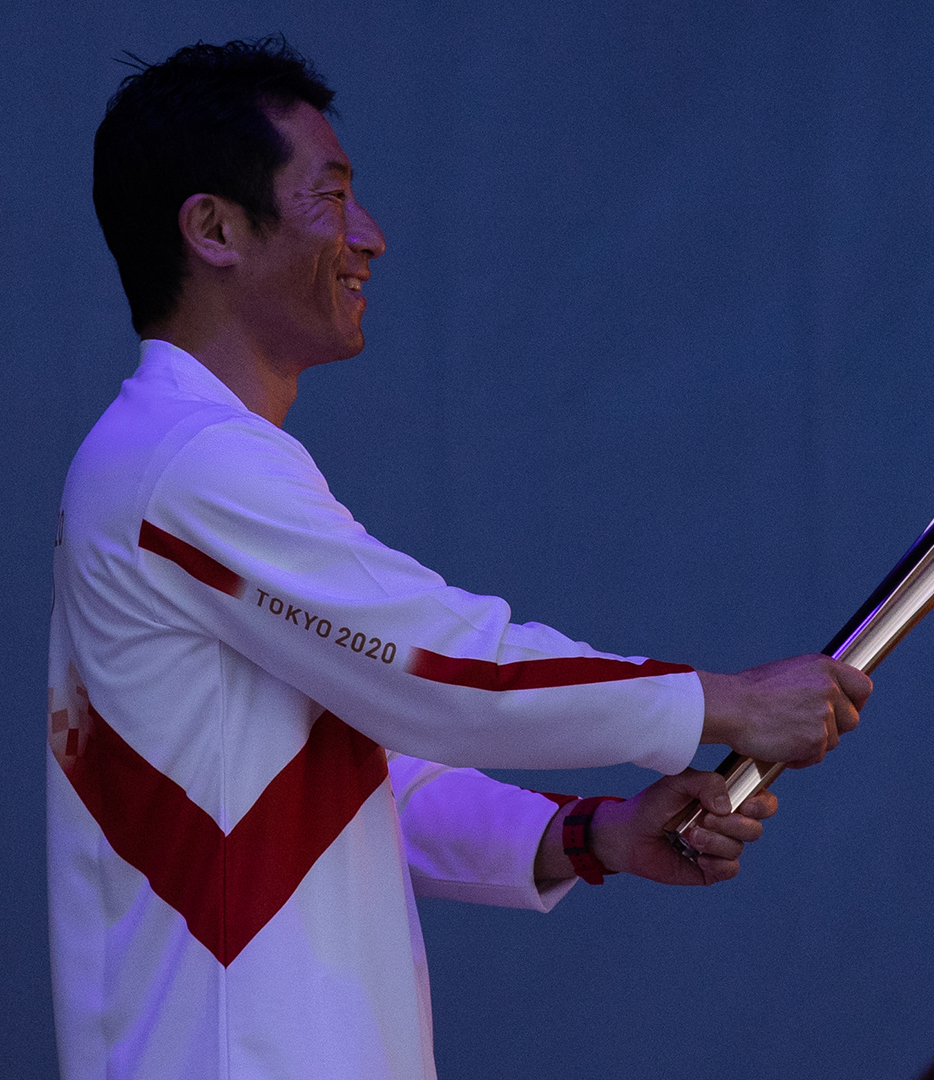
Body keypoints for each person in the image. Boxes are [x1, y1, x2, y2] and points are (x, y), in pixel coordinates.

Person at [49, 37, 870, 1079]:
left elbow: (351, 779)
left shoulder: (182, 463)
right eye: (331, 197)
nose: (371, 237)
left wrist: (598, 834)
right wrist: (725, 703)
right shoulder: (187, 464)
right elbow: (445, 670)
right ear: (213, 228)